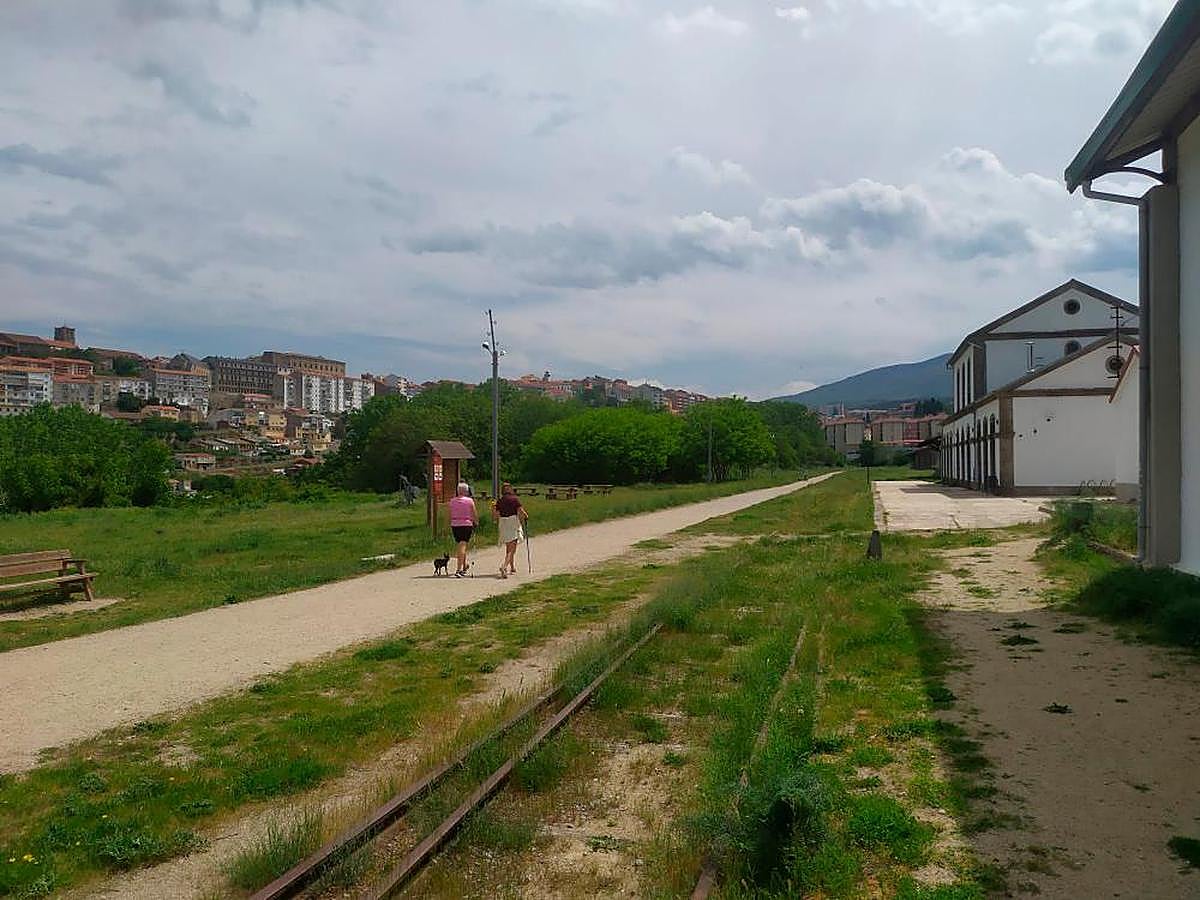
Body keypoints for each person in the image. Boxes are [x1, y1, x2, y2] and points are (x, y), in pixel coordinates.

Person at [493, 482, 529, 578]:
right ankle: (504, 566)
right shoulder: (514, 499)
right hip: (512, 522)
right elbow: (521, 511)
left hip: (503, 523)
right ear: (510, 489)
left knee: (509, 546)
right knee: (512, 548)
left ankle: (512, 566)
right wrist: (526, 516)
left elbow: (496, 515)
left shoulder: (500, 501)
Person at [448, 482, 477, 577]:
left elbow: (449, 513)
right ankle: (459, 569)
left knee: (460, 545)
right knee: (463, 545)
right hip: (466, 524)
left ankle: (464, 565)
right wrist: (476, 521)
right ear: (466, 491)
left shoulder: (452, 501)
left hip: (455, 524)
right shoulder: (469, 501)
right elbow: (474, 512)